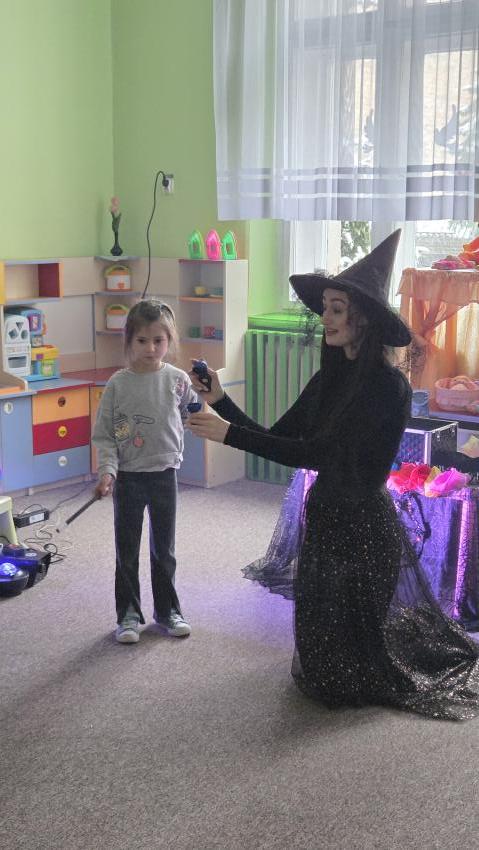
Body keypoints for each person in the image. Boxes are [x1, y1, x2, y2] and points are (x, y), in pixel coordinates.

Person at [187, 230, 479, 720]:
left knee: (357, 674)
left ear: (363, 318)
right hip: (326, 524)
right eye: (325, 307)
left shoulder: (388, 388)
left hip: (364, 534)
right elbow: (279, 436)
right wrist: (220, 401)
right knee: (324, 668)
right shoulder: (329, 378)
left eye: (336, 308)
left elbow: (318, 454)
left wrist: (227, 435)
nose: (326, 317)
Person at [92, 299, 197, 644]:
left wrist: (203, 402)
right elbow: (105, 435)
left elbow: (193, 411)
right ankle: (128, 615)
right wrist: (108, 471)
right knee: (127, 551)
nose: (151, 348)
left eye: (158, 341)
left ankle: (168, 611)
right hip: (129, 478)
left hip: (165, 474)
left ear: (170, 341)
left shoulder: (178, 380)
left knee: (164, 550)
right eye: (142, 340)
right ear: (129, 341)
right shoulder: (118, 384)